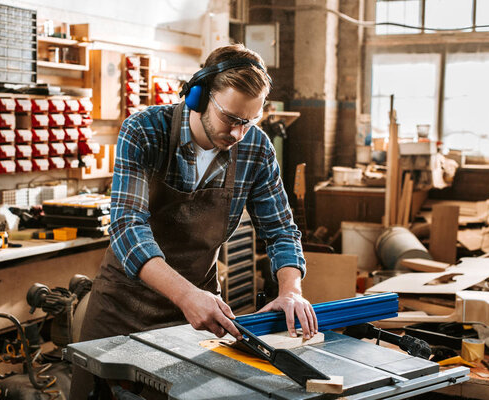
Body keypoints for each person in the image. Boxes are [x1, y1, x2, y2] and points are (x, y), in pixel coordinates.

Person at [71, 44, 317, 399]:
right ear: (198, 97)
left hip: (199, 315)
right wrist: (186, 294)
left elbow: (280, 229)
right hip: (120, 310)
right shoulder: (144, 131)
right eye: (230, 118)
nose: (237, 134)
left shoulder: (256, 149)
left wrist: (290, 291)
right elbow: (127, 228)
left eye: (248, 122)